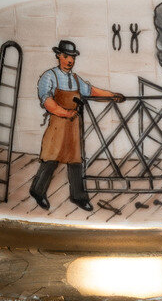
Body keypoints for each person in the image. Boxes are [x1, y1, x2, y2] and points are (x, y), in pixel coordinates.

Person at [30, 40, 125, 211]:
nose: (70, 61)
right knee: (51, 157)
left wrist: (112, 95)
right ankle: (38, 191)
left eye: (72, 57)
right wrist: (66, 113)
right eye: (66, 56)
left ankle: (78, 196)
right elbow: (47, 101)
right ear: (59, 55)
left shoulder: (75, 79)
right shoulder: (49, 76)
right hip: (58, 125)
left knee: (75, 160)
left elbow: (91, 91)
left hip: (74, 126)